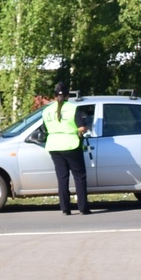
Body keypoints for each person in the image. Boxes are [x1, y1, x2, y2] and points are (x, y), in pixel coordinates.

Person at [43, 82, 90, 215]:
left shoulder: (47, 110)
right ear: (68, 95)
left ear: (54, 96)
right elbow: (82, 127)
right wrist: (81, 130)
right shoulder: (72, 108)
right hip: (71, 144)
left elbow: (45, 128)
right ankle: (83, 207)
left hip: (54, 146)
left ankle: (65, 208)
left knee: (62, 178)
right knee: (79, 176)